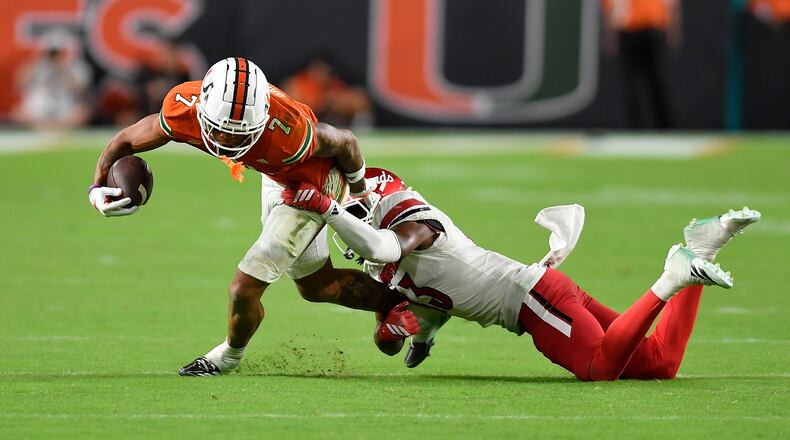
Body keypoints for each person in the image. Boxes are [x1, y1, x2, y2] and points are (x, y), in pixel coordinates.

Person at [88, 58, 418, 376]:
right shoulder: (184, 105)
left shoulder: (288, 131)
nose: (228, 141)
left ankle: (228, 357)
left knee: (244, 286)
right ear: (201, 111)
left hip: (311, 182)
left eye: (239, 134)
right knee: (317, 286)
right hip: (275, 172)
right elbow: (128, 138)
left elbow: (345, 141)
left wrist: (359, 193)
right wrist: (97, 186)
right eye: (221, 131)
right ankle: (400, 304)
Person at [282, 168, 761, 381]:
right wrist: (398, 331)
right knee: (658, 363)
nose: (357, 219)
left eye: (359, 210)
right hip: (545, 293)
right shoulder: (385, 255)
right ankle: (698, 248)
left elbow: (391, 245)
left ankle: (672, 278)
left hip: (531, 301)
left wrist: (328, 210)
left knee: (599, 368)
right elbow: (396, 332)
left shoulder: (410, 226)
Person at [601, 0, 681, 129]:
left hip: (652, 29)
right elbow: (609, 10)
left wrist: (673, 32)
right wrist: (610, 37)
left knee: (655, 80)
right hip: (627, 30)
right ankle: (634, 126)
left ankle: (664, 126)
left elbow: (671, 6)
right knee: (630, 82)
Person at [11, 29, 92, 130]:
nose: (55, 56)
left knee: (83, 112)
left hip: (65, 107)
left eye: (59, 52)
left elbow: (81, 90)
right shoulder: (37, 65)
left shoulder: (76, 67)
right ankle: (47, 128)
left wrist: (65, 67)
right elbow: (20, 84)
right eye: (52, 52)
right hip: (39, 108)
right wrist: (37, 61)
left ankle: (54, 128)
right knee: (18, 112)